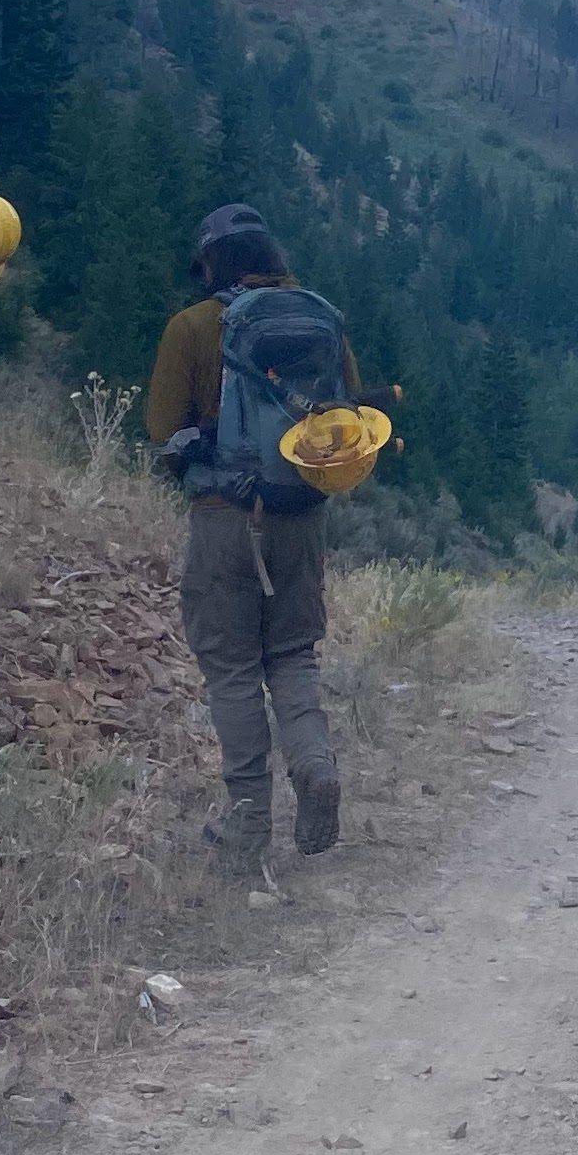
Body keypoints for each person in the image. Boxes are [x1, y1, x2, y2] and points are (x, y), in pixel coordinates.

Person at [146, 204, 361, 879]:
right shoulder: (318, 317)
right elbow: (349, 412)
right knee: (292, 656)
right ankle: (316, 768)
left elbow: (159, 426)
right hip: (301, 518)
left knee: (234, 668)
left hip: (224, 519)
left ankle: (247, 824)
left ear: (213, 263)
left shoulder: (193, 326)